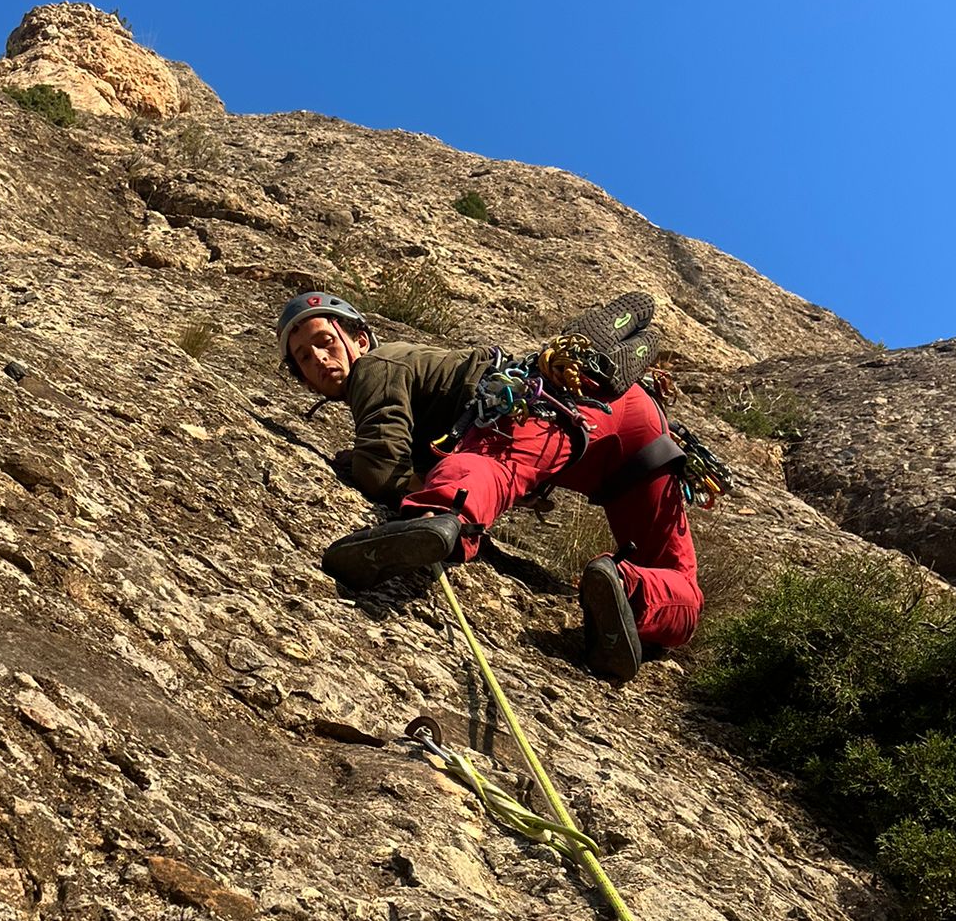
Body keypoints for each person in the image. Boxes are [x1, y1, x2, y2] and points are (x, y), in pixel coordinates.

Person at [277, 290, 703, 685]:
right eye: (304, 357)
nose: (318, 358)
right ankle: (631, 594)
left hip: (548, 403)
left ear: (361, 339)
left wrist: (378, 471)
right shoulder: (410, 367)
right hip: (631, 429)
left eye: (325, 341)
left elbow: (381, 466)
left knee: (491, 460)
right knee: (678, 574)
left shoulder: (378, 365)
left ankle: (440, 515)